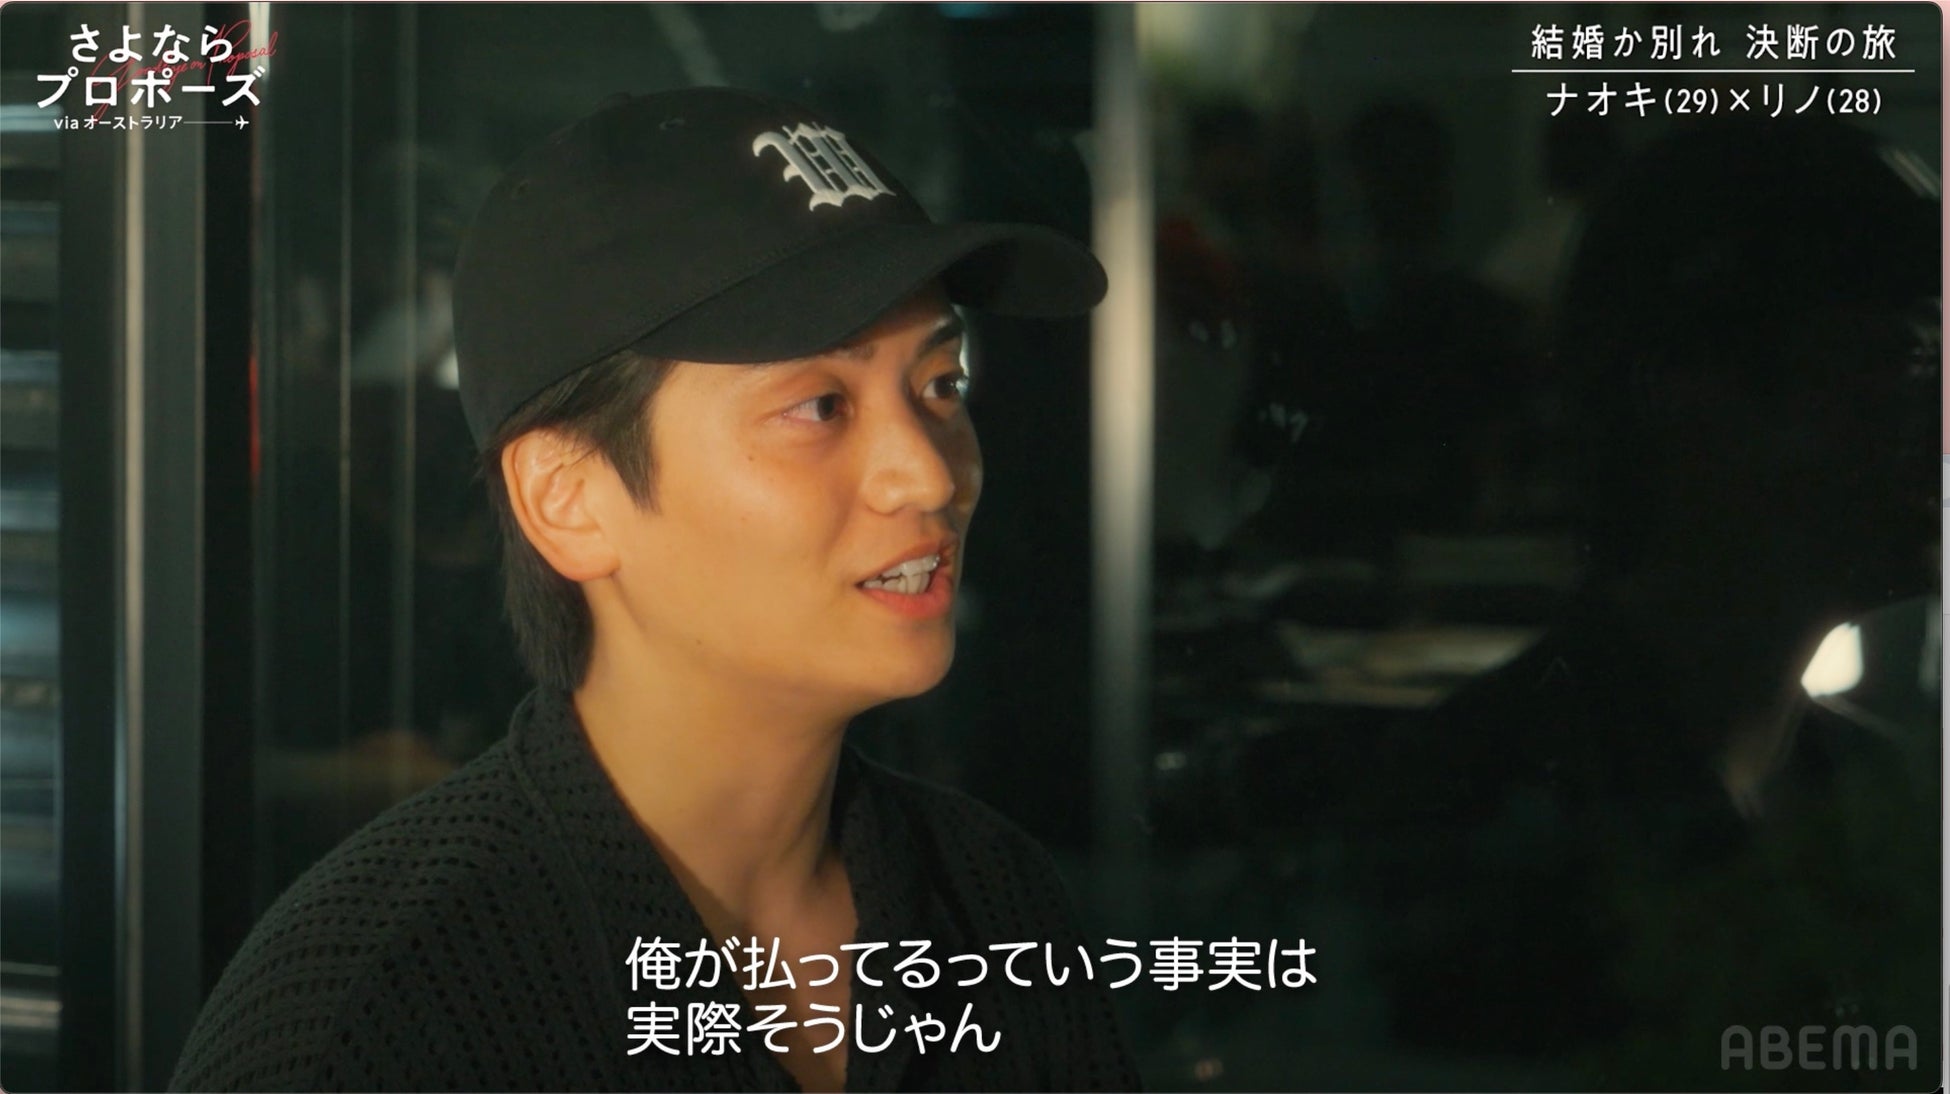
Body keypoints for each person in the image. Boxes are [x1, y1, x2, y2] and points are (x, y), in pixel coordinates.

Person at [170, 87, 1138, 1093]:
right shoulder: (366, 1019)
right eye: (819, 405)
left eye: (941, 384)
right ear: (568, 499)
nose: (929, 475)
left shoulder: (990, 898)